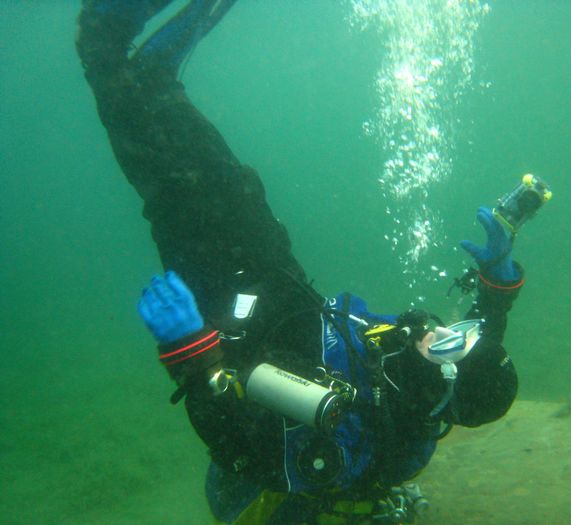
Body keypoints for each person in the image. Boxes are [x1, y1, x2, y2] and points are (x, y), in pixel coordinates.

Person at [76, 2, 523, 523]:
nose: (441, 330)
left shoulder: (354, 433)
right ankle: (158, 82)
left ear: (442, 380)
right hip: (279, 284)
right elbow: (487, 334)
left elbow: (241, 448)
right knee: (236, 187)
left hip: (226, 316)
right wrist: (499, 276)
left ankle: (102, 46)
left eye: (448, 344)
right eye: (458, 332)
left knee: (176, 193)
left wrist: (188, 349)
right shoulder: (430, 371)